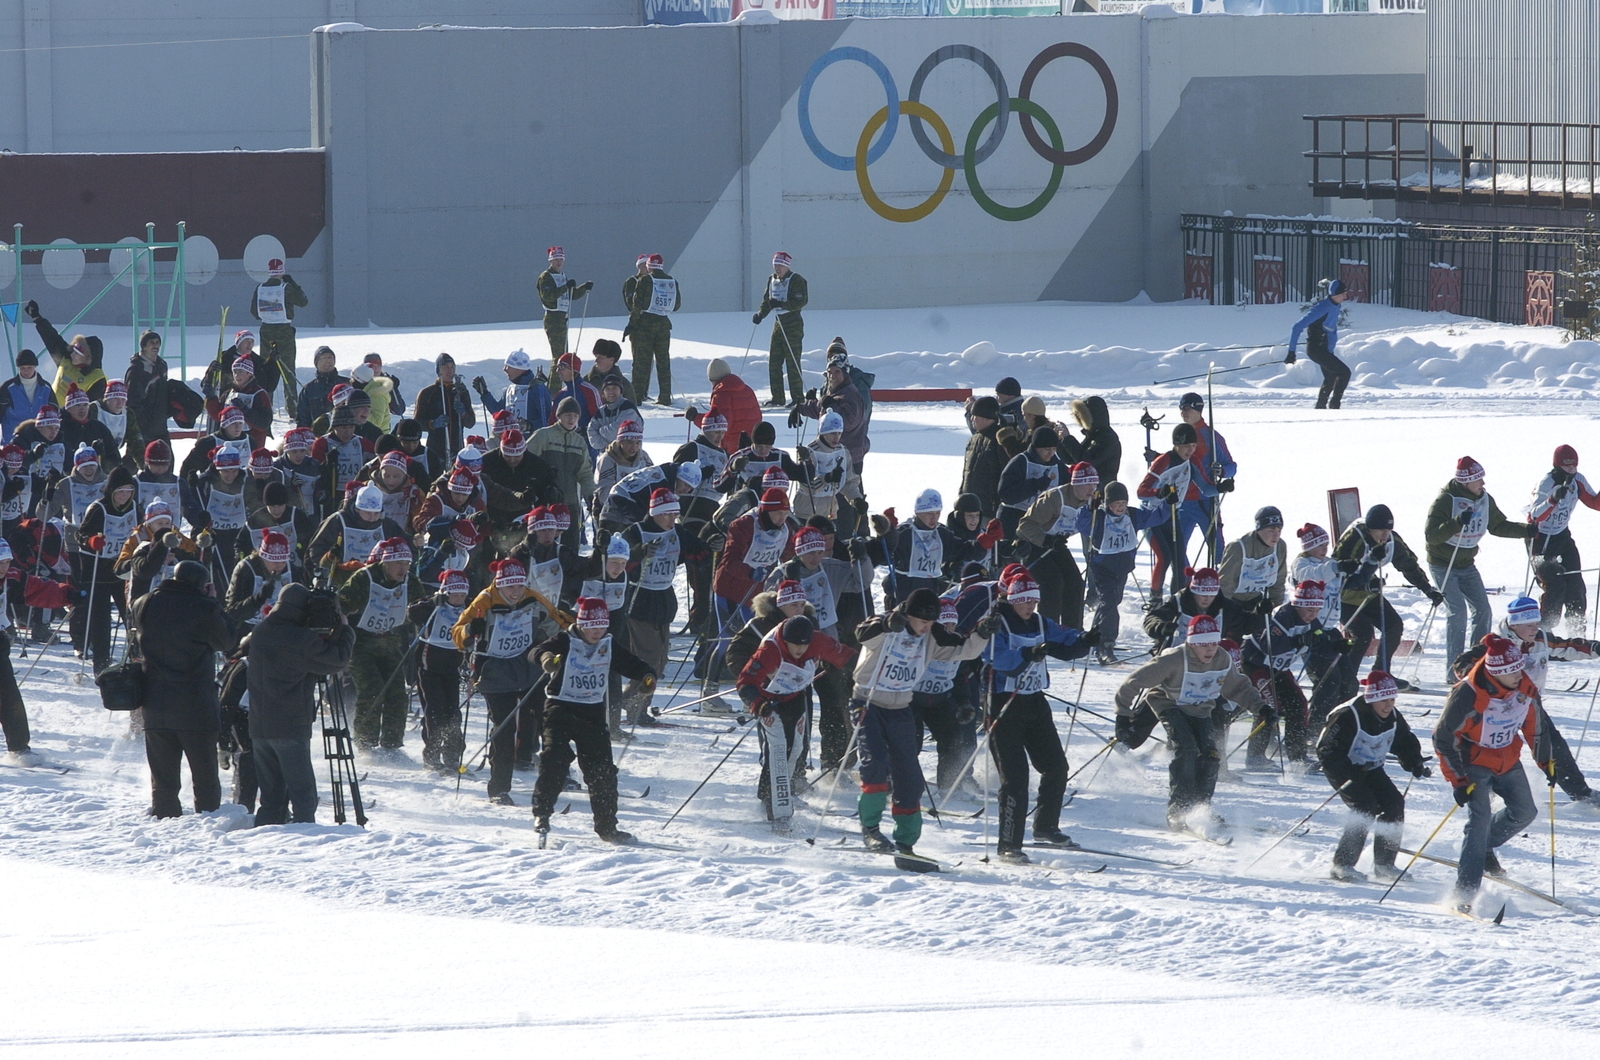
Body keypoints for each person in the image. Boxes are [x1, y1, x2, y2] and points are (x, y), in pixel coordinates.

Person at [850, 588, 991, 855]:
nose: (927, 627)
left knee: (909, 775)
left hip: (901, 706)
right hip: (868, 703)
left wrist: (982, 632)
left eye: (931, 622)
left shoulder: (932, 638)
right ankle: (870, 828)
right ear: (909, 615)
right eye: (923, 621)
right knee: (877, 764)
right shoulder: (890, 626)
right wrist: (885, 624)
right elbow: (863, 633)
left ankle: (906, 839)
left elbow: (963, 650)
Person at [982, 565, 1096, 862]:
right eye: (1024, 601)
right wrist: (1027, 655)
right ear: (1011, 599)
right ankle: (1008, 844)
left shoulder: (1039, 622)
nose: (1030, 606)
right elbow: (998, 658)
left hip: (1034, 703)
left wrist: (1084, 640)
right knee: (1016, 779)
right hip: (1003, 706)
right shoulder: (999, 623)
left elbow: (1064, 638)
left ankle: (1046, 827)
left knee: (1056, 766)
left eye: (1034, 600)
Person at [1114, 614, 1266, 834]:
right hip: (1169, 704)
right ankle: (1178, 811)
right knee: (1186, 750)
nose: (1209, 649)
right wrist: (1122, 715)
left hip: (1200, 709)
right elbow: (1132, 683)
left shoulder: (1222, 658)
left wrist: (1261, 708)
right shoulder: (1174, 659)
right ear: (1191, 643)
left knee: (1211, 756)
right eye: (1202, 644)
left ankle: (1200, 809)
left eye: (1213, 643)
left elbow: (1238, 687)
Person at [1433, 634, 1552, 910]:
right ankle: (1464, 893)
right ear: (1496, 672)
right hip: (1473, 762)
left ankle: (1483, 848)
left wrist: (1545, 761)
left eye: (1518, 668)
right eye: (1511, 671)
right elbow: (1443, 736)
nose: (1518, 675)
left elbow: (1534, 722)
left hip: (1508, 759)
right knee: (1478, 822)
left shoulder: (1523, 684)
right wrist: (1457, 781)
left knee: (1525, 812)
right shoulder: (1468, 694)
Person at [1451, 596, 1600, 811]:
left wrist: (1595, 647)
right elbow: (1461, 665)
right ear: (1514, 624)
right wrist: (1485, 682)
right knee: (1493, 751)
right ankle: (1484, 792)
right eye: (1529, 624)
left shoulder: (1541, 640)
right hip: (1495, 708)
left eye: (1536, 623)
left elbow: (1567, 646)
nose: (1535, 628)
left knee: (1554, 747)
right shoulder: (1494, 644)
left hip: (1529, 705)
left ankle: (1580, 793)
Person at [531, 596, 656, 841]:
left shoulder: (608, 644)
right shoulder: (565, 640)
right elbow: (538, 650)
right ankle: (542, 814)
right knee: (554, 760)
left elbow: (632, 664)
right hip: (560, 708)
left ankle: (607, 827)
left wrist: (647, 677)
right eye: (592, 626)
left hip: (592, 712)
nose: (597, 631)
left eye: (602, 625)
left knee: (602, 773)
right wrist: (546, 660)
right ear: (581, 623)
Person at [130, 559, 239, 818]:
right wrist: (213, 603)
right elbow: (226, 640)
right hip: (195, 706)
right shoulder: (203, 608)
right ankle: (209, 822)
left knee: (163, 780)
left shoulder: (143, 603)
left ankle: (165, 821)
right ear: (202, 586)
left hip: (155, 702)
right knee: (205, 778)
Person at [246, 582, 355, 824]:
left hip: (259, 726)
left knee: (271, 797)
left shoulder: (262, 631)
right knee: (303, 794)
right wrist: (345, 630)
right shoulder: (298, 638)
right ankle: (304, 836)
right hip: (289, 726)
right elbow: (336, 661)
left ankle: (265, 836)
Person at [737, 615, 855, 832]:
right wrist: (757, 704)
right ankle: (778, 809)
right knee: (779, 750)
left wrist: (866, 669)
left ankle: (773, 794)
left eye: (805, 645)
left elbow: (848, 657)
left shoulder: (817, 641)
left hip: (795, 698)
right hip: (769, 702)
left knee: (796, 750)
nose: (800, 650)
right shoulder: (770, 650)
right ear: (785, 640)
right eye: (795, 645)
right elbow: (745, 683)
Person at [1315, 670, 1431, 882]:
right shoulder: (1349, 715)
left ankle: (1385, 863)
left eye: (1392, 699)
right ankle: (1342, 865)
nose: (1388, 705)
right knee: (1364, 806)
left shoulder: (1392, 716)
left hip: (1371, 767)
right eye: (1383, 700)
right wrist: (1350, 771)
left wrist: (1414, 762)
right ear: (1371, 699)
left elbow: (1404, 741)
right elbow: (1327, 750)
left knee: (1394, 803)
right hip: (1343, 768)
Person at [453, 558, 547, 802]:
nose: (516, 592)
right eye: (510, 587)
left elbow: (556, 618)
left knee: (550, 720)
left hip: (528, 668)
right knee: (504, 729)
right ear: (499, 585)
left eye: (519, 586)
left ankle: (554, 777)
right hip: (495, 672)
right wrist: (471, 630)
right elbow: (458, 633)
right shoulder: (484, 600)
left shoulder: (532, 597)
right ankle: (499, 788)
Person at [1424, 456, 1535, 663]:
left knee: (1483, 610)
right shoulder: (1446, 500)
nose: (1483, 483)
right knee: (1457, 612)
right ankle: (1455, 669)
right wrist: (1456, 522)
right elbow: (1432, 536)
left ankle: (1476, 663)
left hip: (1466, 563)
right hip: (1443, 564)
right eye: (1478, 479)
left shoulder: (1484, 499)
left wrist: (1526, 530)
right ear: (1465, 482)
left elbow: (1498, 525)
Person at [1329, 504, 1441, 699]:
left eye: (1388, 530)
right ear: (1369, 528)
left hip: (1370, 595)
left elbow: (1409, 566)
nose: (1384, 534)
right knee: (1363, 633)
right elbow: (1336, 573)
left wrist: (1427, 589)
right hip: (1345, 597)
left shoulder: (1392, 541)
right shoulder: (1355, 539)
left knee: (1394, 625)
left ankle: (1381, 673)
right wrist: (1364, 583)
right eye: (1380, 530)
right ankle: (1347, 678)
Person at [618, 489, 710, 724]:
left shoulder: (676, 531)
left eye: (675, 514)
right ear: (655, 512)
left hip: (663, 600)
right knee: (647, 659)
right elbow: (617, 563)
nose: (672, 519)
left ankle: (636, 703)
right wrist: (638, 553)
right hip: (639, 600)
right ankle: (628, 704)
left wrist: (712, 544)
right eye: (667, 514)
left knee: (659, 662)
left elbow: (698, 551)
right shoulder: (636, 531)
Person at [1238, 579, 1347, 767]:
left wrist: (1336, 647)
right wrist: (1298, 641)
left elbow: (1319, 642)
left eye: (1316, 611)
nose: (1312, 615)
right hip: (1256, 665)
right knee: (1270, 706)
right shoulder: (1283, 616)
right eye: (1308, 610)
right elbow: (1270, 645)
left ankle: (1297, 757)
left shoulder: (1312, 622)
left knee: (1298, 704)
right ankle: (1255, 755)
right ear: (1297, 605)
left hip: (1279, 668)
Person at [1076, 480, 1168, 664]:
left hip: (1123, 567)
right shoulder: (1099, 516)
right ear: (1108, 504)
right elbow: (1081, 524)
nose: (1120, 507)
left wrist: (1168, 501)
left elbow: (1156, 516)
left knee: (1110, 603)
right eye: (1116, 504)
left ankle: (1093, 637)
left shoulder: (1133, 515)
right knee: (1109, 601)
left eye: (1123, 503)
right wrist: (1089, 508)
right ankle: (1106, 644)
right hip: (1102, 567)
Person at [0, 537, 71, 763]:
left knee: (8, 695)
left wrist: (66, 594)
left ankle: (19, 748)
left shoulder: (11, 578)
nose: (4, 567)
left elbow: (38, 588)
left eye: (7, 561)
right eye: (0, 562)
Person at [871, 489, 1000, 606]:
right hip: (902, 598)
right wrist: (888, 534)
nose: (934, 517)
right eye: (929, 513)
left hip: (929, 596)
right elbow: (883, 556)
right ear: (918, 512)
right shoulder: (905, 533)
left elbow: (965, 551)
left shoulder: (941, 534)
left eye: (937, 513)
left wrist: (985, 541)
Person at [1013, 461, 1099, 629]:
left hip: (1056, 545)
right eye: (1088, 484)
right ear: (1076, 483)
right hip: (1031, 544)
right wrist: (1046, 540)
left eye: (1094, 484)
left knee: (1075, 582)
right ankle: (1048, 628)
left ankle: (1073, 629)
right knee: (1053, 582)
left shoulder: (1091, 502)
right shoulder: (1054, 498)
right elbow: (1025, 525)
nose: (1092, 489)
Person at [1527, 444, 1600, 633]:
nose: (1572, 470)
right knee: (1555, 585)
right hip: (1541, 540)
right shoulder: (1546, 483)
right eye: (1567, 466)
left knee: (1575, 584)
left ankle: (1576, 630)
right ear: (1558, 466)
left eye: (1574, 466)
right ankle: (1544, 631)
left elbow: (1594, 502)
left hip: (1562, 536)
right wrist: (1552, 500)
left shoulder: (1578, 480)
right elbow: (1534, 515)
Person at [412, 569, 470, 772]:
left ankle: (453, 754)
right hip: (429, 668)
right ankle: (432, 753)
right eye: (455, 594)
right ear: (446, 593)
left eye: (463, 594)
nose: (459, 598)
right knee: (435, 711)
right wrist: (431, 602)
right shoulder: (434, 606)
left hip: (452, 669)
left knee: (453, 713)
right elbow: (412, 612)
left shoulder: (467, 609)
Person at [1137, 423, 1199, 600]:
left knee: (1179, 560)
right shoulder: (1164, 460)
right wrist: (1160, 492)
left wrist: (1220, 485)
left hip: (1171, 515)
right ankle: (1155, 598)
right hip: (1152, 516)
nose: (1190, 450)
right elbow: (1141, 492)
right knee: (1164, 557)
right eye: (1187, 446)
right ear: (1177, 444)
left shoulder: (1191, 462)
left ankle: (1176, 600)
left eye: (1193, 446)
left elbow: (1205, 486)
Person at [792, 341, 869, 475]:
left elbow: (848, 422)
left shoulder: (850, 393)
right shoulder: (835, 390)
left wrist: (830, 406)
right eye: (829, 372)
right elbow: (820, 406)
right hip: (833, 452)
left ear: (845, 372)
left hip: (849, 455)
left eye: (837, 372)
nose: (832, 376)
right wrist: (800, 408)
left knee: (850, 492)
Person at [528, 397, 594, 551]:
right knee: (542, 546)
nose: (571, 419)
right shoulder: (543, 435)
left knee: (570, 548)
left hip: (570, 503)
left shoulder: (579, 442)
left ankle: (569, 575)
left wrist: (591, 496)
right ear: (559, 416)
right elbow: (526, 462)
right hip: (545, 503)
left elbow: (585, 473)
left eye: (575, 416)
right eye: (567, 415)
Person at [1178, 392, 1235, 564]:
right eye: (1181, 408)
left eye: (1187, 408)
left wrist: (1221, 472)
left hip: (1205, 500)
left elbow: (1231, 466)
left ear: (1198, 409)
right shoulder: (1180, 435)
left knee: (1217, 548)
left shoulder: (1211, 436)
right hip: (1182, 501)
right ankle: (1184, 582)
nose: (1183, 412)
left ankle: (1218, 584)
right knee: (1177, 548)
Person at [1217, 505, 1288, 641]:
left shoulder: (1280, 547)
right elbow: (1225, 584)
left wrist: (1276, 609)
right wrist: (1222, 613)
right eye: (1271, 529)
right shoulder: (1239, 548)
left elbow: (1279, 580)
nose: (1276, 535)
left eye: (1279, 529)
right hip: (1232, 602)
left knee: (1259, 643)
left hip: (1257, 602)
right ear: (1259, 529)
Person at [250, 258, 308, 414]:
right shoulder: (286, 288)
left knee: (265, 370)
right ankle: (293, 408)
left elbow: (254, 313)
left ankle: (265, 406)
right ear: (282, 270)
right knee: (288, 370)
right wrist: (294, 284)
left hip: (266, 331)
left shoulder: (260, 288)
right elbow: (303, 301)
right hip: (284, 331)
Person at [791, 409, 862, 535]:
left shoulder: (843, 452)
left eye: (839, 433)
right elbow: (807, 486)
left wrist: (856, 499)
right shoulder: (809, 452)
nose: (837, 437)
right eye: (832, 433)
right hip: (807, 512)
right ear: (823, 433)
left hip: (830, 512)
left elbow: (849, 481)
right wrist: (827, 478)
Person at [1286, 278, 1352, 410]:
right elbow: (1297, 327)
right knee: (1344, 373)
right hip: (1316, 350)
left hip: (1325, 350)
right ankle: (1334, 406)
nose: (1346, 296)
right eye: (1344, 293)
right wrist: (1291, 352)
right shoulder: (1322, 308)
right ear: (1336, 294)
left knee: (1331, 377)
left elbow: (1329, 329)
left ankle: (1320, 408)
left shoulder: (1335, 305)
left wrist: (1330, 350)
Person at [23, 300, 107, 405]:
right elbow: (51, 338)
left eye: (77, 353)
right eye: (73, 350)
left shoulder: (98, 380)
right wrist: (37, 317)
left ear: (87, 357)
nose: (72, 354)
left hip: (71, 419)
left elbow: (91, 410)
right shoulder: (66, 358)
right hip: (50, 410)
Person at [754, 251, 808, 407]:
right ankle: (777, 397)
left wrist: (782, 304)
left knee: (792, 362)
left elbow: (800, 302)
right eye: (775, 265)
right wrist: (760, 314)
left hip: (793, 325)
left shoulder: (797, 280)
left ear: (786, 266)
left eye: (780, 266)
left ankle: (798, 398)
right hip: (778, 324)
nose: (777, 268)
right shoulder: (772, 280)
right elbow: (768, 300)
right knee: (774, 362)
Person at [997, 426, 1069, 539]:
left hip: (1040, 524)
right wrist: (1034, 485)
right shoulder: (1020, 461)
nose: (1051, 453)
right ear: (1036, 447)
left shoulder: (1058, 466)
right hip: (1013, 521)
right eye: (1047, 449)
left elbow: (1069, 489)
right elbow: (1005, 494)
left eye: (1054, 449)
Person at [685, 358, 762, 458]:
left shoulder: (721, 394)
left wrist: (695, 417)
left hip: (733, 447)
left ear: (712, 379)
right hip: (753, 444)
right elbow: (758, 416)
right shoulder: (746, 388)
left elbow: (720, 424)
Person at [628, 253, 678, 406]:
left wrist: (632, 323)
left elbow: (637, 305)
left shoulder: (645, 280)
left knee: (642, 362)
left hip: (645, 326)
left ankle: (636, 396)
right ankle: (665, 396)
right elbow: (676, 306)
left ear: (649, 266)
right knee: (663, 362)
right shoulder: (672, 281)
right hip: (664, 325)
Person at [1142, 566, 1225, 653]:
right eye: (1203, 595)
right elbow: (1152, 618)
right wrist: (1162, 627)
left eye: (1212, 595)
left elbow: (1237, 627)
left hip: (1213, 659)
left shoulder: (1224, 606)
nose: (1207, 599)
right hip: (1176, 656)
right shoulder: (1178, 602)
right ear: (1193, 592)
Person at [473, 348, 550, 433]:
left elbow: (547, 419)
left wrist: (530, 426)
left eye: (508, 366)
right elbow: (499, 414)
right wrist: (485, 394)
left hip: (532, 442)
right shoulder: (510, 390)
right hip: (511, 442)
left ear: (518, 368)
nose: (504, 369)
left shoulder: (537, 388)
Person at [536, 247, 593, 360]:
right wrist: (565, 287)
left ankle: (563, 377)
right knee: (559, 357)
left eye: (561, 259)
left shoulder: (562, 276)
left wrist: (584, 287)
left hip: (562, 318)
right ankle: (557, 377)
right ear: (551, 260)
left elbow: (571, 295)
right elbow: (547, 296)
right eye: (556, 259)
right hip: (553, 317)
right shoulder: (546, 276)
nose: (559, 262)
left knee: (563, 354)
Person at [959, 395, 1007, 521]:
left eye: (975, 416)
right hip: (968, 508)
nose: (972, 419)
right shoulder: (973, 439)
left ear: (986, 419)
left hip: (989, 510)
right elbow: (966, 474)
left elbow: (1006, 474)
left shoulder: (1000, 440)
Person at [0, 349, 52, 443]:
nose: (26, 371)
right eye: (23, 368)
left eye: (29, 367)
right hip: (12, 444)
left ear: (35, 366)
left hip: (39, 443)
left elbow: (54, 414)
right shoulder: (7, 388)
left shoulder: (46, 388)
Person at [1072, 396, 1121, 484]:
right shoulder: (1093, 436)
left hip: (1102, 490)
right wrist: (1061, 440)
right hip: (1088, 488)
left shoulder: (1107, 438)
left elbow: (1085, 460)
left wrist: (1068, 438)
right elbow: (1071, 459)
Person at [586, 375, 640, 454]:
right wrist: (609, 444)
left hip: (629, 459)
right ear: (603, 393)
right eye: (607, 389)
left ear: (620, 391)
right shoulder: (601, 412)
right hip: (606, 459)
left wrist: (601, 431)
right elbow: (591, 433)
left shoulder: (628, 408)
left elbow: (616, 432)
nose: (611, 392)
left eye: (614, 388)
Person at [296, 346, 342, 429]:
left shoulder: (346, 384)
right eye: (323, 358)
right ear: (316, 363)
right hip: (317, 436)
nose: (327, 361)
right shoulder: (308, 390)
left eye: (330, 357)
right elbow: (302, 418)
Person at [587, 339, 635, 405]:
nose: (596, 360)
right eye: (596, 356)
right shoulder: (586, 381)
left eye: (601, 357)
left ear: (611, 360)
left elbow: (631, 411)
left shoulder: (625, 385)